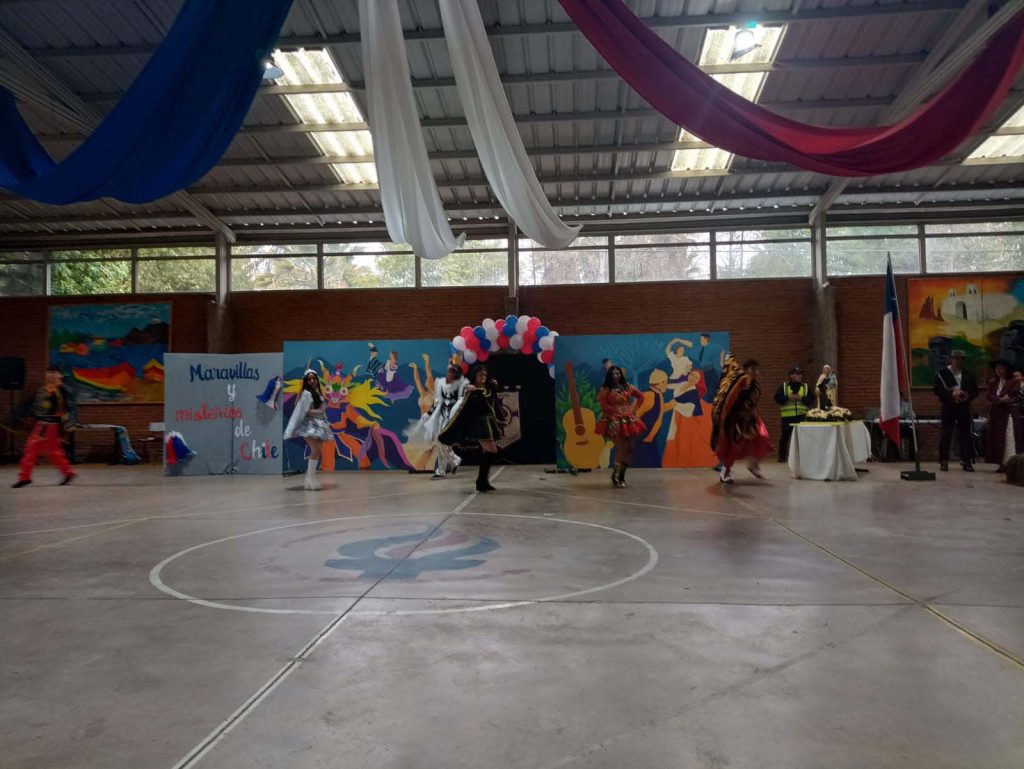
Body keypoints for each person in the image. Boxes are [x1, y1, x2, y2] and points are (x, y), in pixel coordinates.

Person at [439, 364, 503, 492]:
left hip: (488, 423)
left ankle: (482, 481)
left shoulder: (488, 388)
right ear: (475, 376)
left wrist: (500, 419)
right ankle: (481, 481)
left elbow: (492, 402)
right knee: (492, 451)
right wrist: (471, 391)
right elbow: (468, 406)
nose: (483, 377)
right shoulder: (470, 389)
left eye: (485, 374)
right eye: (480, 375)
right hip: (479, 425)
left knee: (487, 452)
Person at [12, 366, 76, 488]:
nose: (50, 375)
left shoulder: (62, 391)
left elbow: (66, 409)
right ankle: (68, 473)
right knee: (51, 451)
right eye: (49, 373)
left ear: (60, 375)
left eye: (54, 373)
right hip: (42, 425)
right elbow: (35, 407)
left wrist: (67, 426)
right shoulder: (43, 390)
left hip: (49, 426)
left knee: (33, 449)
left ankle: (25, 477)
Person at [711, 357, 771, 483]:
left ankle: (753, 465)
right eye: (752, 369)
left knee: (763, 436)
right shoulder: (739, 384)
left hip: (750, 419)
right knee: (735, 446)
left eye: (757, 370)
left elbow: (753, 403)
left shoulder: (755, 385)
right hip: (736, 420)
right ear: (745, 370)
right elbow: (730, 401)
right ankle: (725, 471)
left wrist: (755, 417)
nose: (755, 372)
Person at [407, 362, 468, 479]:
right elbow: (437, 403)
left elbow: (461, 406)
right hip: (441, 419)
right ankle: (452, 462)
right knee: (442, 444)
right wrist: (428, 414)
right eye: (449, 372)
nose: (449, 375)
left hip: (452, 421)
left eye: (452, 373)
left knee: (442, 442)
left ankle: (445, 468)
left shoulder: (461, 389)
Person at [284, 369, 334, 490]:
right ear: (306, 381)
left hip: (318, 425)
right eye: (309, 379)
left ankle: (310, 478)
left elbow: (320, 410)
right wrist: (319, 410)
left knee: (318, 450)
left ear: (317, 380)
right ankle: (310, 478)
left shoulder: (317, 393)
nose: (312, 381)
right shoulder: (306, 394)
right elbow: (305, 411)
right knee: (316, 450)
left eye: (314, 378)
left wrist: (322, 412)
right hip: (308, 426)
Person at [596, 365, 644, 487]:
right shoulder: (605, 390)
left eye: (618, 373)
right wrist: (616, 410)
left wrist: (633, 408)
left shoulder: (627, 387)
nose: (616, 375)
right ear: (610, 375)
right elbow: (604, 406)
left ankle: (622, 475)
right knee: (622, 448)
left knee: (630, 448)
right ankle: (616, 475)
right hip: (615, 421)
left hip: (629, 420)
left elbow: (641, 396)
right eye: (614, 373)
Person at [933, 349, 979, 472]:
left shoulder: (968, 374)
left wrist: (966, 397)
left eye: (961, 359)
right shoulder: (942, 373)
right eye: (956, 358)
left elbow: (975, 391)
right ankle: (944, 461)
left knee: (965, 434)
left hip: (963, 407)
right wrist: (952, 394)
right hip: (949, 406)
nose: (958, 361)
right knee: (946, 434)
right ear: (951, 359)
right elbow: (937, 390)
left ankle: (966, 461)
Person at [983, 359, 1021, 472]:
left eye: (1001, 368)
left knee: (1008, 436)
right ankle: (1001, 463)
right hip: (996, 413)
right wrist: (999, 399)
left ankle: (1010, 463)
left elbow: (1013, 394)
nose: (999, 371)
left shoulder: (1013, 381)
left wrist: (1004, 399)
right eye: (997, 368)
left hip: (1008, 412)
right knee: (997, 438)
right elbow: (989, 395)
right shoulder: (993, 382)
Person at [774, 366, 814, 462]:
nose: (800, 376)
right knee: (785, 436)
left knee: (803, 438)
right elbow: (777, 398)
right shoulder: (784, 386)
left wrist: (801, 399)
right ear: (791, 375)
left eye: (801, 374)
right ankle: (782, 457)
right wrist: (788, 397)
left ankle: (803, 457)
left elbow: (811, 399)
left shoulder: (805, 387)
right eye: (798, 374)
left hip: (802, 416)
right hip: (787, 416)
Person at [695, 333, 725, 398]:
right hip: (704, 371)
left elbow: (722, 350)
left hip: (709, 371)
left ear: (706, 339)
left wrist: (721, 363)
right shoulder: (703, 348)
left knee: (713, 389)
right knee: (708, 389)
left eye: (701, 339)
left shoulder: (712, 345)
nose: (700, 341)